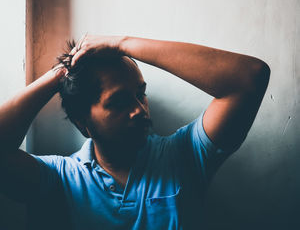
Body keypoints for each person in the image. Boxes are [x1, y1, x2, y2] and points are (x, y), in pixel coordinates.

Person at [0, 35, 270, 229]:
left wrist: (123, 43)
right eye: (119, 102)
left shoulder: (183, 155)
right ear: (83, 124)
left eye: (141, 95)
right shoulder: (61, 178)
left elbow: (250, 77)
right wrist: (63, 72)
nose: (140, 110)